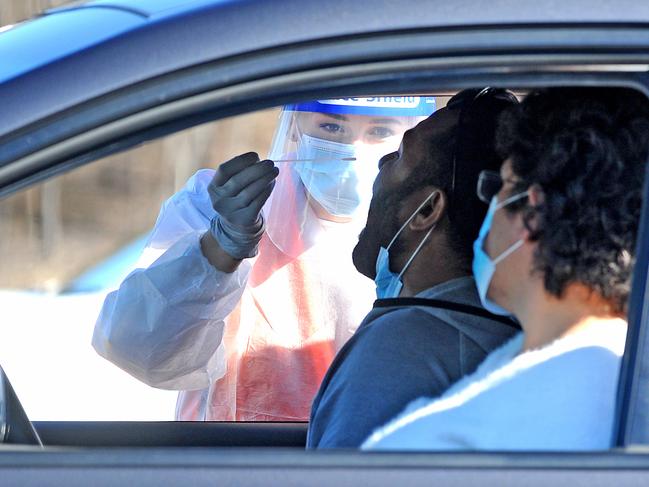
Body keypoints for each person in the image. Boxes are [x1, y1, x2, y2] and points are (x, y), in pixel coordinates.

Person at [92, 97, 435, 421]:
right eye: (332, 128)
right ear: (296, 124)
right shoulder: (222, 205)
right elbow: (139, 350)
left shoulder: (436, 225)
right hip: (243, 467)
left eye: (380, 131)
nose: (354, 151)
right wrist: (220, 248)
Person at [363, 87, 649, 451]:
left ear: (532, 215)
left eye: (500, 186)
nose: (486, 211)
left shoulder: (455, 440)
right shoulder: (624, 377)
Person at [307, 88, 521, 448]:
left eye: (401, 154)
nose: (380, 163)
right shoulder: (487, 328)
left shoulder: (401, 352)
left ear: (426, 211)